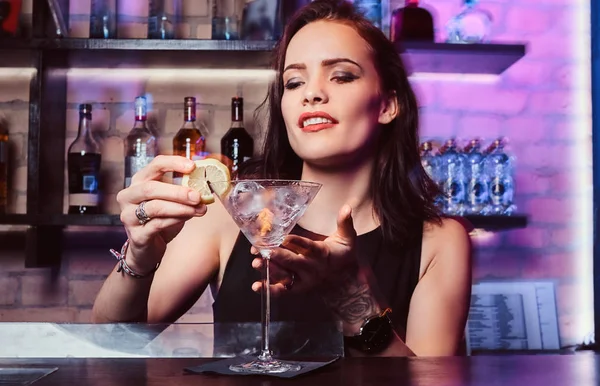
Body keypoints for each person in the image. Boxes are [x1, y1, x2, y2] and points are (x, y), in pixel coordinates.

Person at [92, 0, 472, 357]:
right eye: (294, 82)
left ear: (388, 105)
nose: (312, 94)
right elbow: (115, 342)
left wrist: (355, 302)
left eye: (341, 76)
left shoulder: (438, 241)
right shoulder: (229, 215)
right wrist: (139, 255)